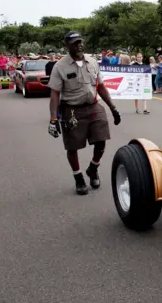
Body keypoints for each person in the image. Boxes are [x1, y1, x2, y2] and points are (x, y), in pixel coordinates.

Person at [47, 31, 121, 195]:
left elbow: (100, 86)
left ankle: (93, 168)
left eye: (80, 42)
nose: (79, 45)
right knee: (72, 146)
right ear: (67, 45)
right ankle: (78, 177)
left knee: (101, 140)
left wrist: (113, 108)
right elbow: (55, 94)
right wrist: (53, 119)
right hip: (72, 110)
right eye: (74, 43)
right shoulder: (60, 67)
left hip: (94, 107)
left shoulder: (93, 62)